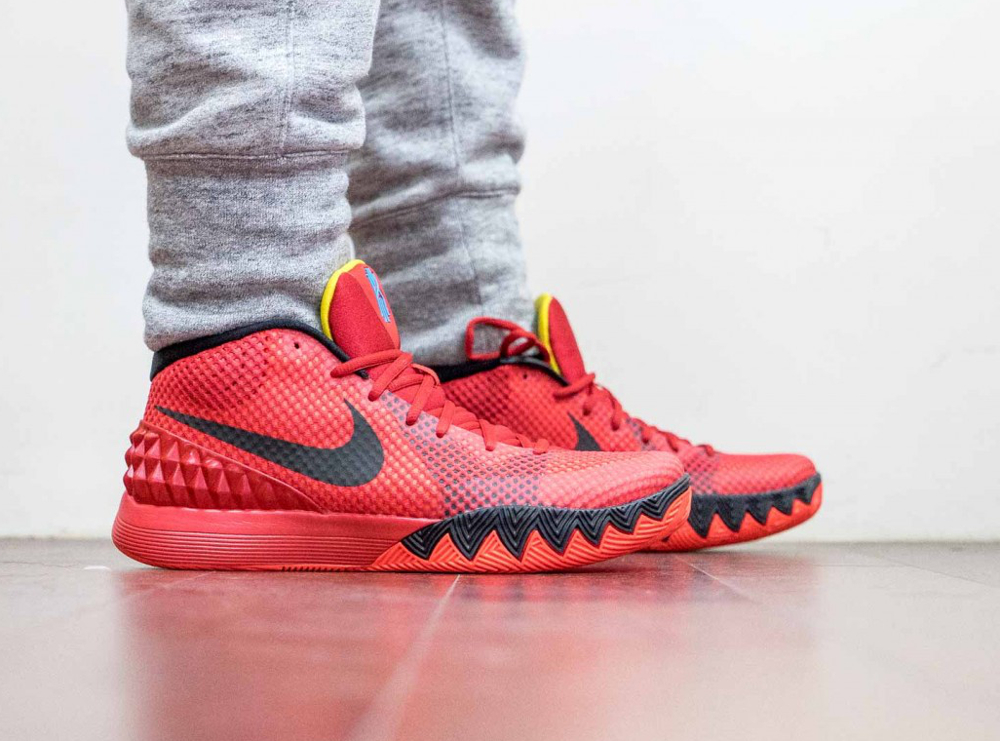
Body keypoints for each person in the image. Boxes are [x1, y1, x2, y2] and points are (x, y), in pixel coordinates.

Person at [112, 0, 818, 572]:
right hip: (252, 370)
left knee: (442, 22)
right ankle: (244, 334)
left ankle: (461, 348)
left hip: (429, 337)